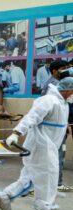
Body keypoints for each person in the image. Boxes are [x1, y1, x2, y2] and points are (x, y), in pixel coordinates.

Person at [0, 77, 73, 210]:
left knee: (31, 175)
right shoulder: (49, 100)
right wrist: (16, 133)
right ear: (69, 90)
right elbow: (31, 117)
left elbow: (56, 120)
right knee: (47, 178)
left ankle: (5, 196)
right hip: (42, 146)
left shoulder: (62, 103)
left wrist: (66, 125)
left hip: (48, 146)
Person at [42, 60, 73, 192]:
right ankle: (57, 183)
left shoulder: (55, 83)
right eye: (64, 68)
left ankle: (55, 183)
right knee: (56, 155)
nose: (66, 71)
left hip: (58, 125)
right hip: (55, 127)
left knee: (57, 155)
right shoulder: (55, 85)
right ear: (55, 71)